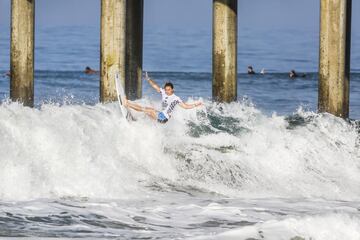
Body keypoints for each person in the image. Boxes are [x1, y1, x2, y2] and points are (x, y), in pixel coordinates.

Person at [124, 72, 202, 124]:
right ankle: (135, 119)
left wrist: (195, 105)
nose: (167, 91)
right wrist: (148, 79)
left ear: (172, 89)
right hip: (161, 114)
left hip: (163, 118)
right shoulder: (164, 92)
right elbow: (155, 86)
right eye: (166, 89)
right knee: (149, 109)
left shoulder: (176, 98)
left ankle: (127, 104)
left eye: (169, 90)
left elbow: (185, 106)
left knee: (146, 109)